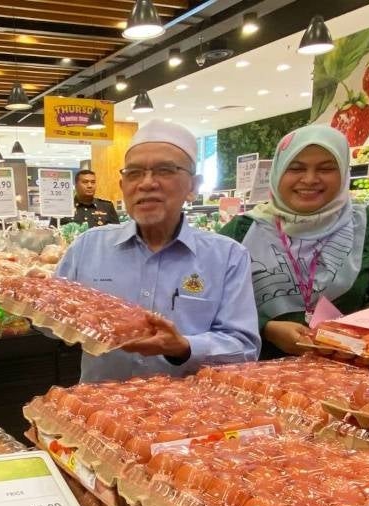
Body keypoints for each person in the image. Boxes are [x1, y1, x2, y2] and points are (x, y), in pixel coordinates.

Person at [56, 120, 260, 382]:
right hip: (97, 414)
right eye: (134, 173)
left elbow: (244, 347)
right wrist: (34, 297)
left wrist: (184, 347)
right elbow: (51, 327)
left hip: (185, 415)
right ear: (123, 186)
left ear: (193, 187)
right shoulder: (88, 247)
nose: (147, 183)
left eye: (165, 170)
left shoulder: (227, 256)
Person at [220, 125, 369, 359]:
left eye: (326, 169)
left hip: (346, 369)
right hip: (249, 375)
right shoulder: (242, 230)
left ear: (343, 173)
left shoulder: (367, 226)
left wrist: (352, 329)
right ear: (278, 172)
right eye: (295, 168)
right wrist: (265, 328)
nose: (310, 179)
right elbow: (210, 301)